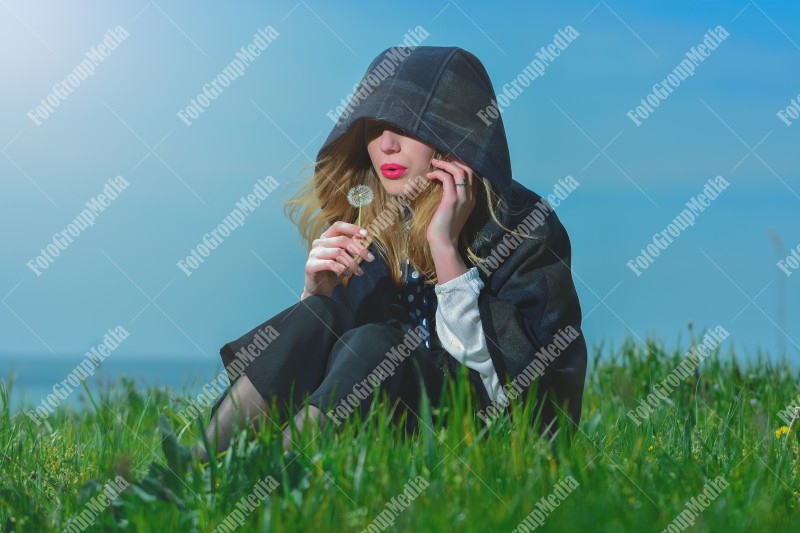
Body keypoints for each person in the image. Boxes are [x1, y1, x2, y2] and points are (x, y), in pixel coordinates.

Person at [191, 45, 587, 462]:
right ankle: (192, 470)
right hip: (378, 427)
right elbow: (329, 370)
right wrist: (316, 296)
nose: (386, 145)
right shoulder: (374, 223)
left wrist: (445, 250)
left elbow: (530, 391)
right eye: (374, 126)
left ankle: (274, 474)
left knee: (376, 343)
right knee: (320, 316)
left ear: (453, 130)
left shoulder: (521, 223)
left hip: (482, 439)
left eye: (407, 123)